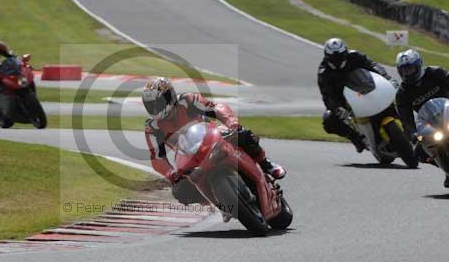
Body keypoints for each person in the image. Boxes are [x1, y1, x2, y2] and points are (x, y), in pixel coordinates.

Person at [142, 77, 286, 221]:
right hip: (189, 156)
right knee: (180, 190)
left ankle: (266, 164)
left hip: (212, 136)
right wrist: (171, 174)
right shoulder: (153, 127)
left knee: (243, 135)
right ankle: (219, 204)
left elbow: (216, 108)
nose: (155, 109)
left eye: (158, 104)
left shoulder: (187, 101)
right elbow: (156, 157)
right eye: (150, 106)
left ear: (169, 96)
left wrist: (231, 122)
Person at [318, 38, 397, 152]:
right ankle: (356, 139)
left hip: (366, 88)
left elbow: (372, 65)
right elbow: (326, 95)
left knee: (398, 97)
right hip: (345, 101)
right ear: (327, 57)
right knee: (329, 120)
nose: (338, 61)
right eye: (334, 59)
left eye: (340, 57)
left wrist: (387, 78)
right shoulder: (324, 72)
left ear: (345, 52)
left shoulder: (355, 56)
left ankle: (408, 127)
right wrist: (337, 109)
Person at [395, 49, 449, 187]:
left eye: (410, 69)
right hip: (431, 125)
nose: (407, 73)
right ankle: (447, 170)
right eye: (404, 71)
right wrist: (414, 134)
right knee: (419, 153)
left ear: (419, 65)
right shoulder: (402, 93)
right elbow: (406, 119)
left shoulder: (436, 73)